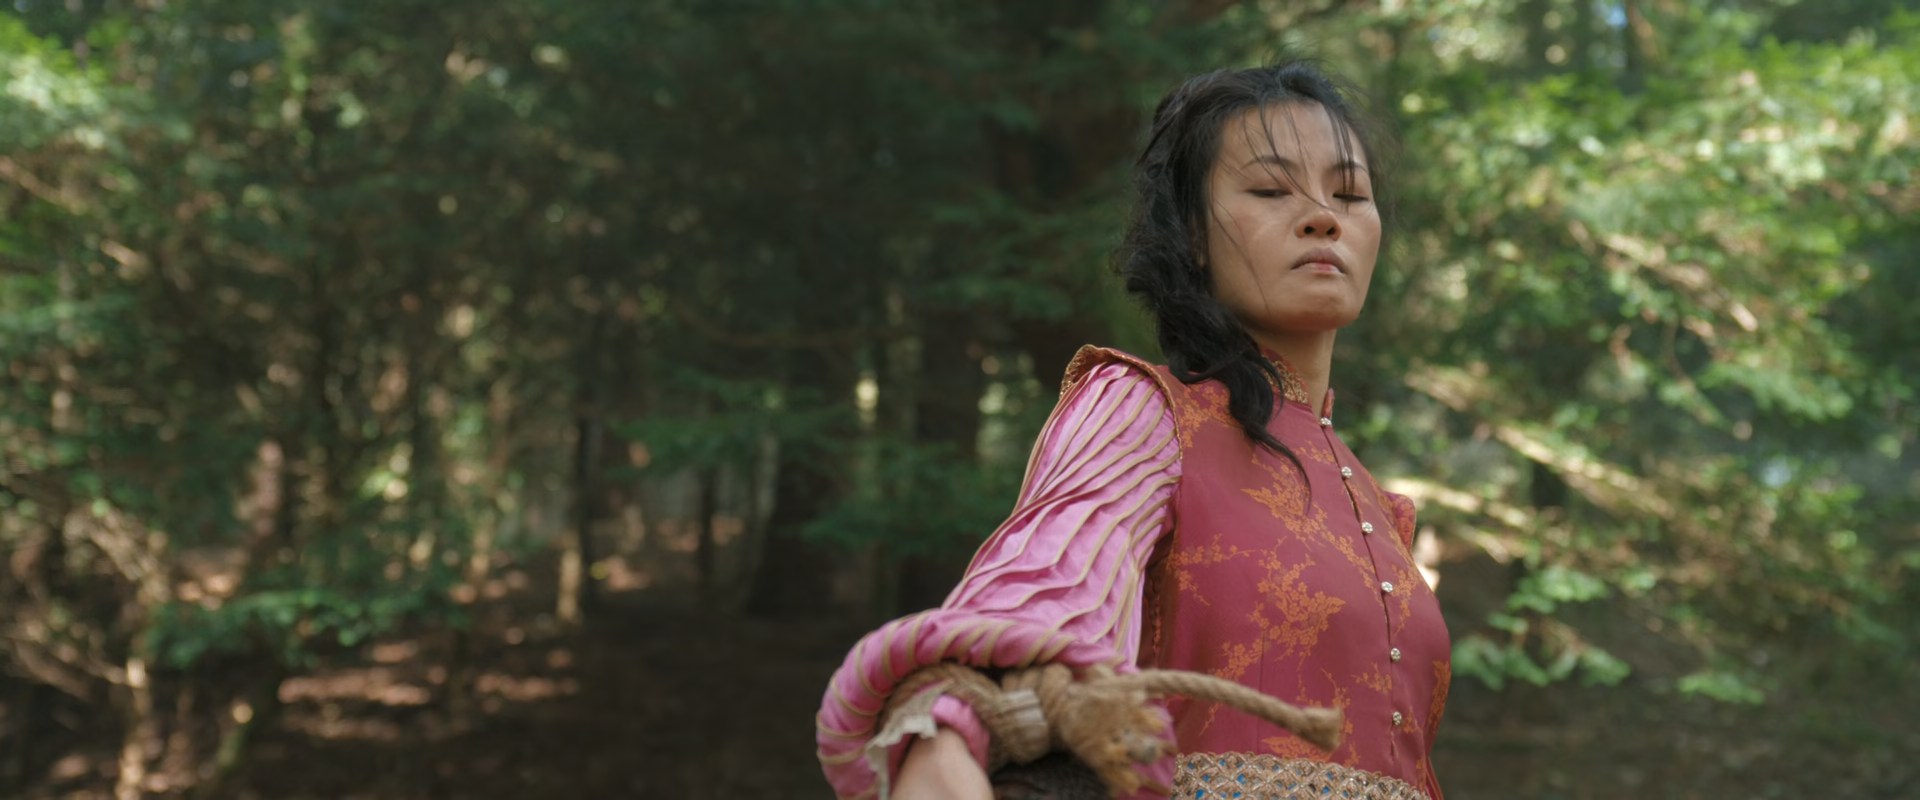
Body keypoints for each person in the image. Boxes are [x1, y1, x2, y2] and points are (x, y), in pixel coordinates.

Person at [816, 61, 1450, 800]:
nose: (1322, 217)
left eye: (1349, 194)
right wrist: (952, 731)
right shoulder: (1142, 409)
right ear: (1193, 235)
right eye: (1270, 190)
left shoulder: (1379, 506)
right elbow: (1043, 594)